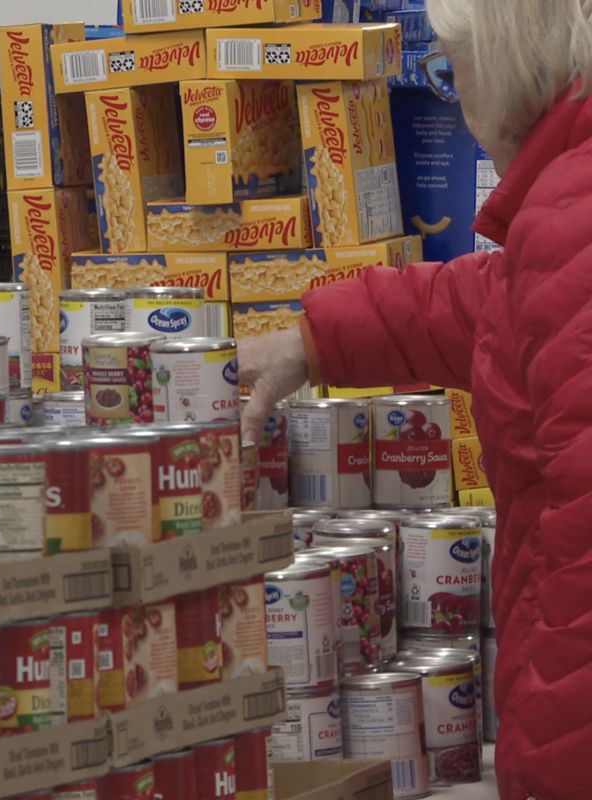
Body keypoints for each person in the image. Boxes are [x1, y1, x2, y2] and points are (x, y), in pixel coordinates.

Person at [239, 2, 592, 798]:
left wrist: (548, 773)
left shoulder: (577, 214)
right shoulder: (564, 206)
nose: (453, 90)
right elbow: (498, 306)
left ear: (501, 65)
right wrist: (315, 340)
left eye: (449, 66)